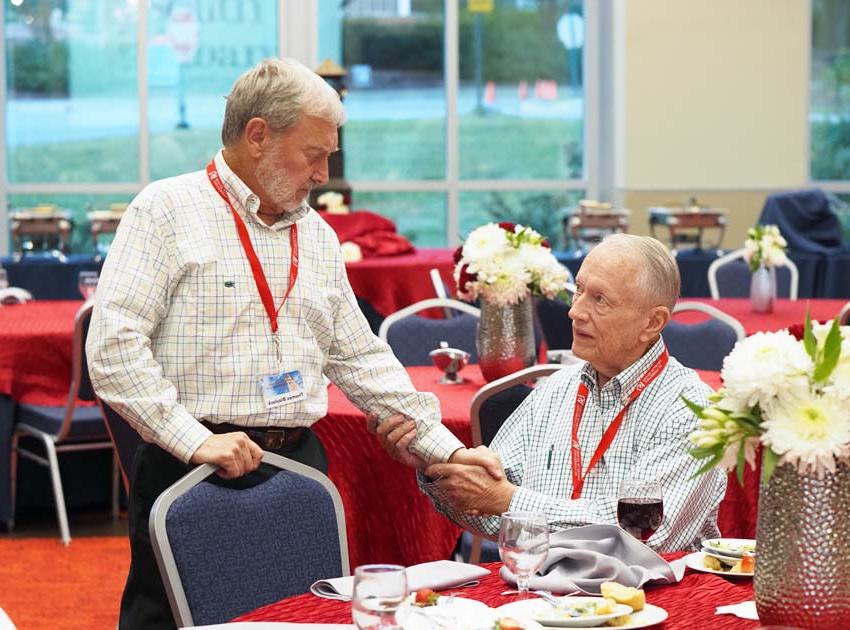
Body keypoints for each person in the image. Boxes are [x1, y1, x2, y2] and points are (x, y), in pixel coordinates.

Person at [87, 57, 499, 630]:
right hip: (192, 472)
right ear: (258, 135)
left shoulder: (317, 234)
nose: (325, 174)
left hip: (299, 470)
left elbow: (360, 356)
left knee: (306, 620)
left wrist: (445, 450)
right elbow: (113, 351)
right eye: (315, 153)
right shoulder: (166, 212)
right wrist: (195, 440)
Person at [373, 234, 727, 552]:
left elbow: (645, 535)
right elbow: (492, 513)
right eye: (579, 290)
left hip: (651, 606)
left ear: (652, 322)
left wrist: (511, 501)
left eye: (599, 299)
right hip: (545, 598)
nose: (574, 311)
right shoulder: (555, 389)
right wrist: (435, 465)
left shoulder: (692, 410)